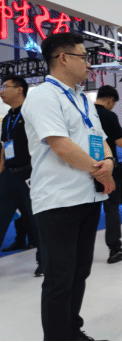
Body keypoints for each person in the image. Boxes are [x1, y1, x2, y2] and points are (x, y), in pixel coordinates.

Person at [22, 32, 116, 342]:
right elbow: (61, 146)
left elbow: (101, 139)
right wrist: (102, 173)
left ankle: (72, 332)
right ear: (63, 58)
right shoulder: (42, 95)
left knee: (79, 273)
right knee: (59, 279)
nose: (88, 64)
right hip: (58, 201)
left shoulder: (82, 99)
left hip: (87, 197)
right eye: (83, 57)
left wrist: (109, 161)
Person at [0, 76, 42, 276]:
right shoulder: (8, 118)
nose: (1, 91)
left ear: (19, 89)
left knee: (36, 220)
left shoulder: (31, 113)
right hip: (9, 176)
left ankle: (45, 262)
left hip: (29, 174)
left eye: (5, 87)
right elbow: (4, 147)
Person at [95, 85, 122, 264]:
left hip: (89, 166)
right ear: (110, 100)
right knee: (111, 208)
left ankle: (80, 250)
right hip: (109, 167)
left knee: (88, 209)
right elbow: (120, 142)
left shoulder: (86, 114)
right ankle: (115, 249)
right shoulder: (109, 115)